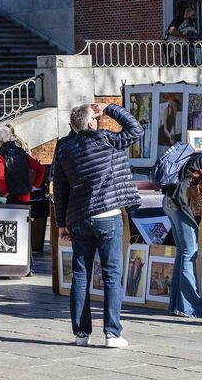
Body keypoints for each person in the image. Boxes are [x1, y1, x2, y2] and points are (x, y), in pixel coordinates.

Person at [53, 101, 143, 348]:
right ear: (91, 122)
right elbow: (136, 129)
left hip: (78, 218)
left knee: (81, 274)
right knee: (112, 273)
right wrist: (110, 108)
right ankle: (112, 334)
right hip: (107, 213)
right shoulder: (105, 139)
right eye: (96, 118)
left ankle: (81, 333)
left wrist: (61, 223)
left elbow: (59, 189)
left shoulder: (63, 148)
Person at [152, 139, 202, 319]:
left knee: (183, 252)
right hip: (181, 204)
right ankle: (191, 307)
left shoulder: (193, 157)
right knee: (189, 253)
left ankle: (177, 305)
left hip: (170, 201)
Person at [0, 124, 45, 204]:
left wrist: (4, 192)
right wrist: (34, 186)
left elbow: (0, 176)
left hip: (9, 195)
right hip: (25, 193)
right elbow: (40, 169)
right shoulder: (21, 151)